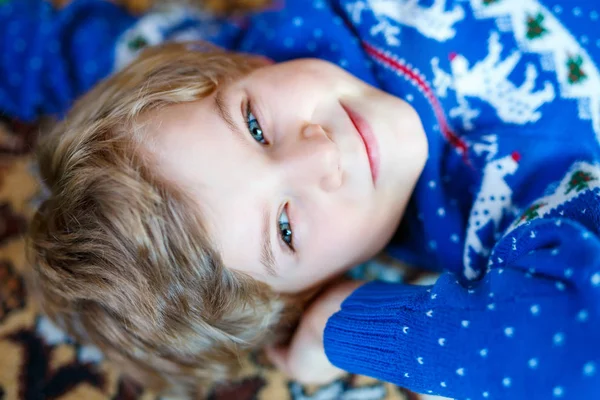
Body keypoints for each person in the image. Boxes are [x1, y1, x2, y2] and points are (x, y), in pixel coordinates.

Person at [2, 0, 599, 398]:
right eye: (285, 229)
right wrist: (338, 328)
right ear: (314, 287)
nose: (319, 153)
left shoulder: (172, 101)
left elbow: (34, 49)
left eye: (255, 125)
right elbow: (571, 350)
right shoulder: (512, 226)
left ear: (231, 68)